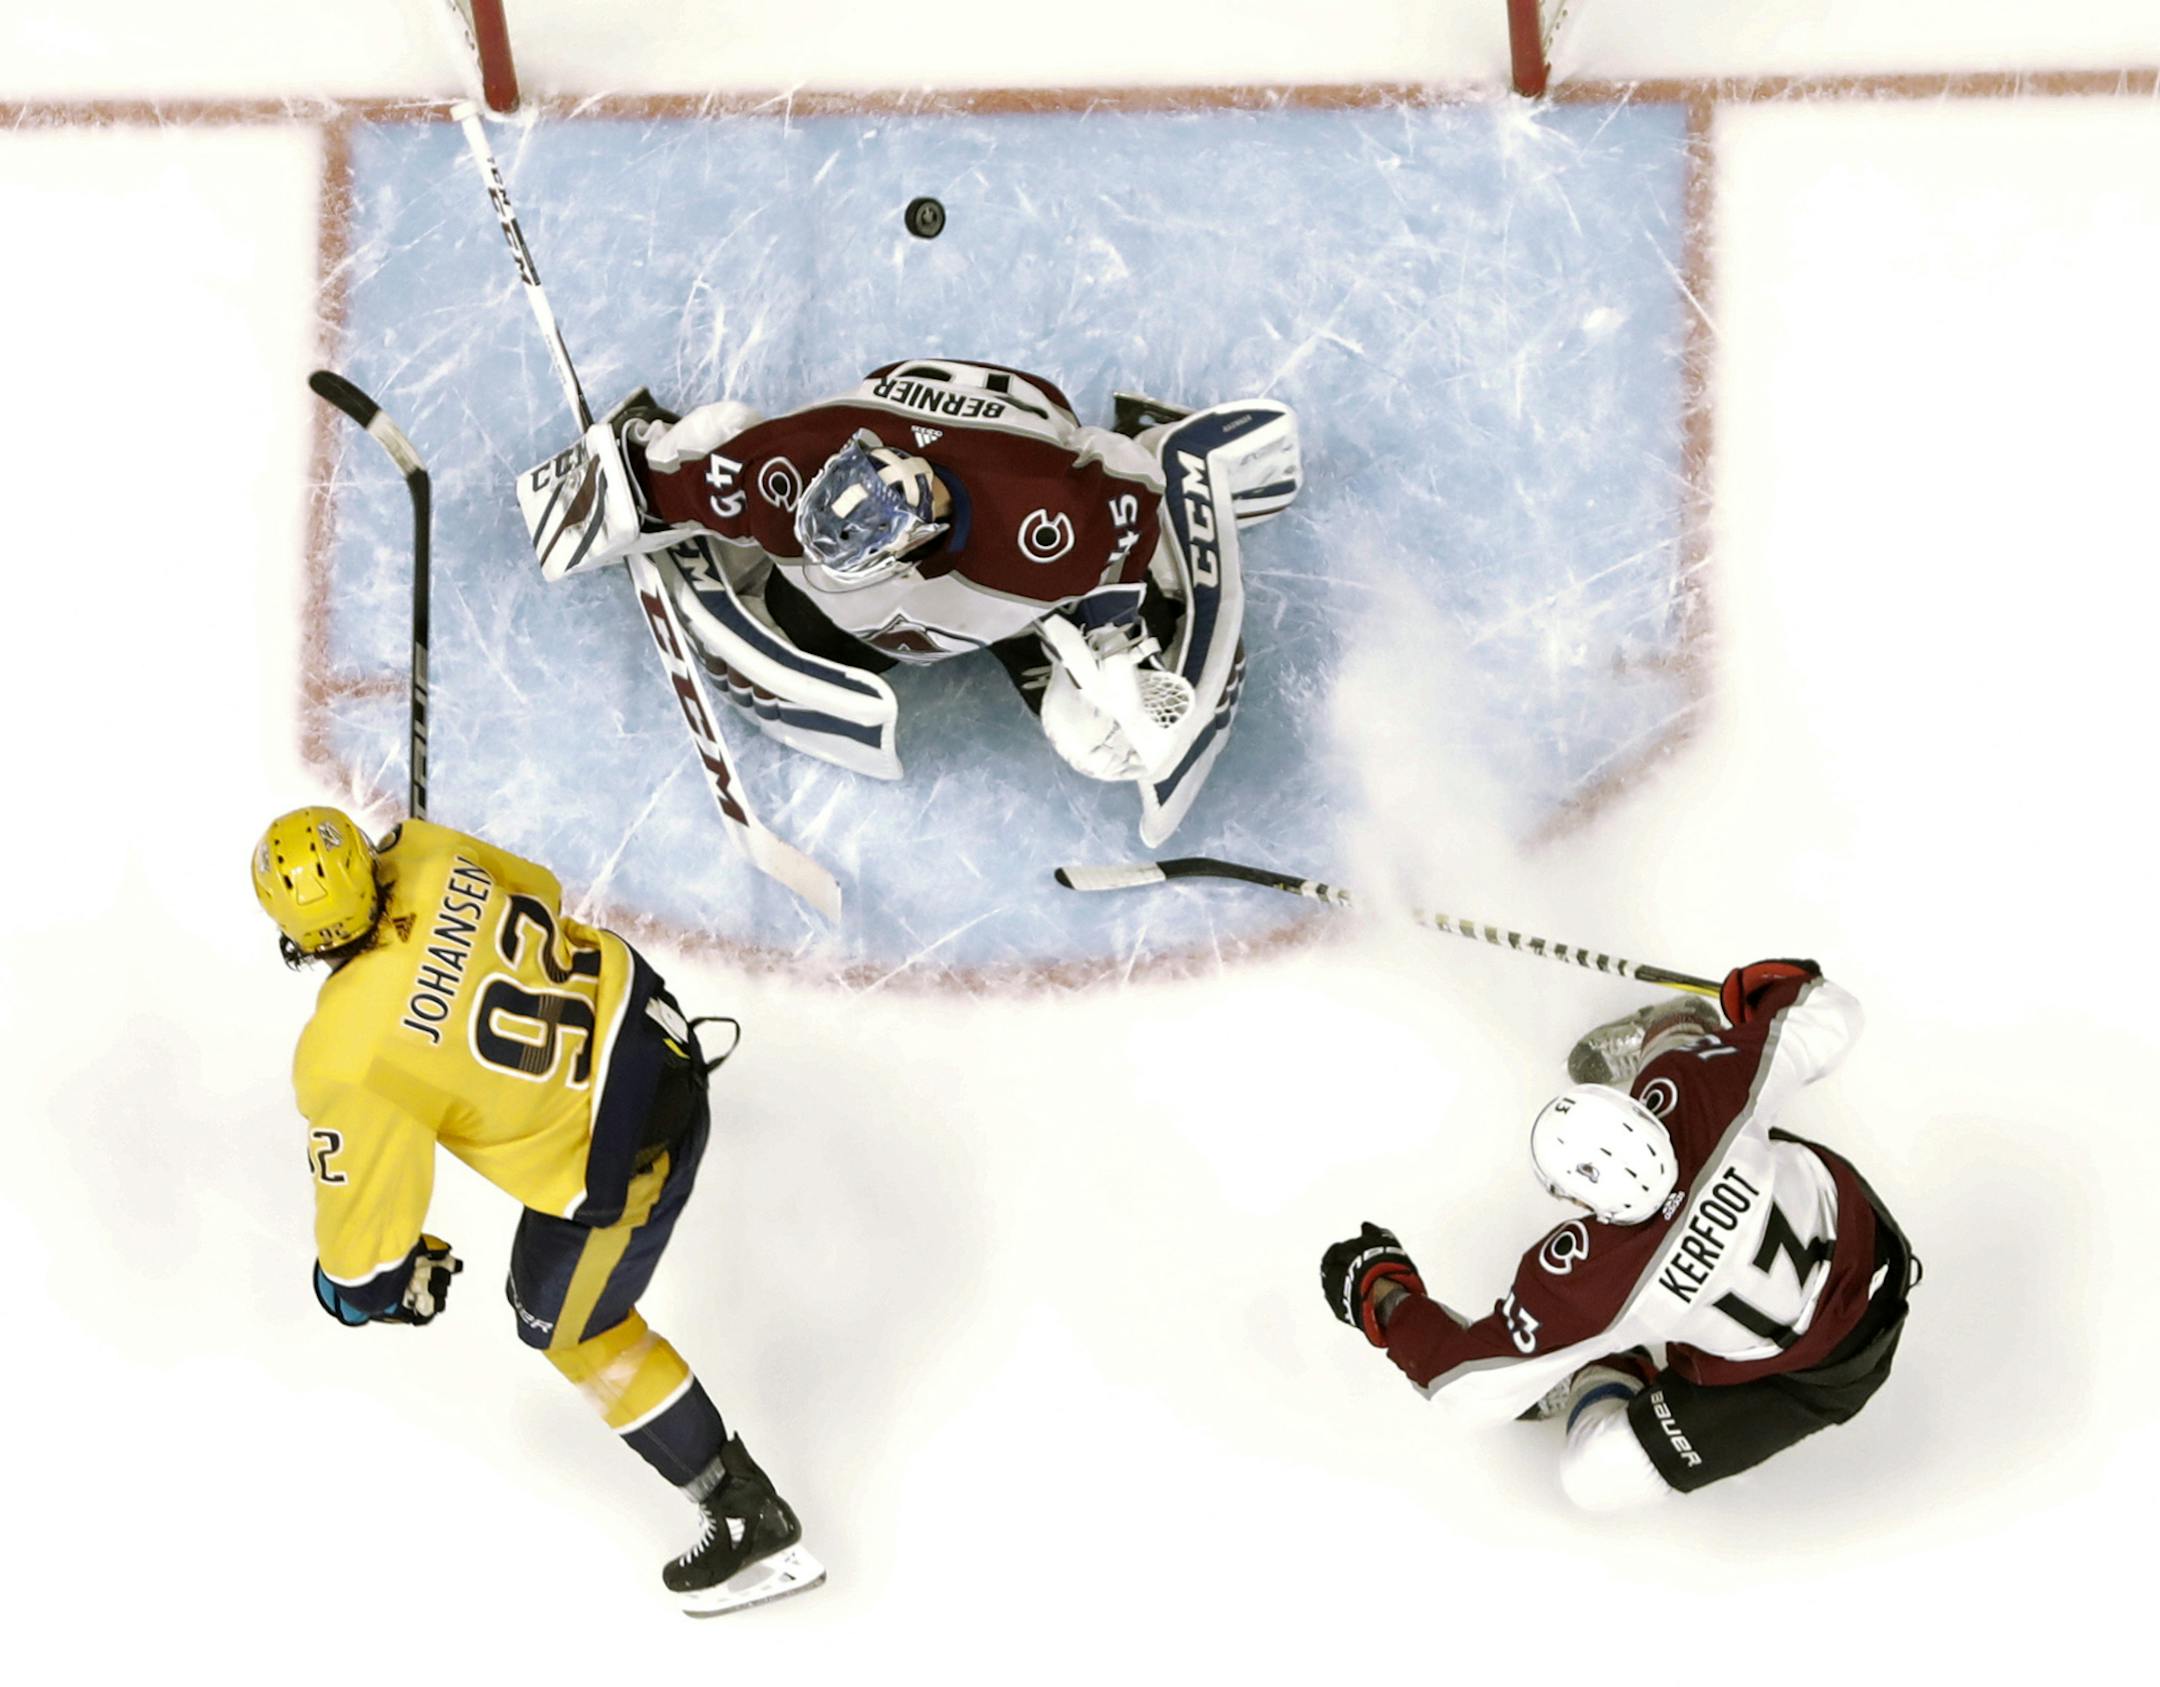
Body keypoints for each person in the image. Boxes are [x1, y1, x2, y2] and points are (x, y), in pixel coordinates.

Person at [251, 805, 823, 1614]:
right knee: (541, 1283)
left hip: (631, 1153)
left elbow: (366, 1266)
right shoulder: (428, 850)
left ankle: (746, 1516)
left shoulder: (347, 1051)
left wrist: (364, 1288)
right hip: (653, 1034)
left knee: (560, 1320)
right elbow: (543, 892)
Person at [513, 357, 1302, 842]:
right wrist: (620, 487)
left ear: (919, 542)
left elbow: (1127, 499)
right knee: (735, 469)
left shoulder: (1047, 524)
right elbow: (658, 475)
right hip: (895, 445)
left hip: (1021, 455)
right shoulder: (784, 473)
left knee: (1103, 741)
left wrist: (1114, 641)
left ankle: (1183, 452)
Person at [1319, 960, 1918, 1509]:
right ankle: (1681, 1025)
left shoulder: (1588, 1282)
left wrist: (1384, 1298)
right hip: (1878, 1247)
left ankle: (1606, 1366)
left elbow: (1467, 1390)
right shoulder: (1702, 1086)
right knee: (1686, 1070)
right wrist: (1767, 990)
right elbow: (1835, 1013)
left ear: (1577, 1202)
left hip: (1814, 1377)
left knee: (1594, 1478)